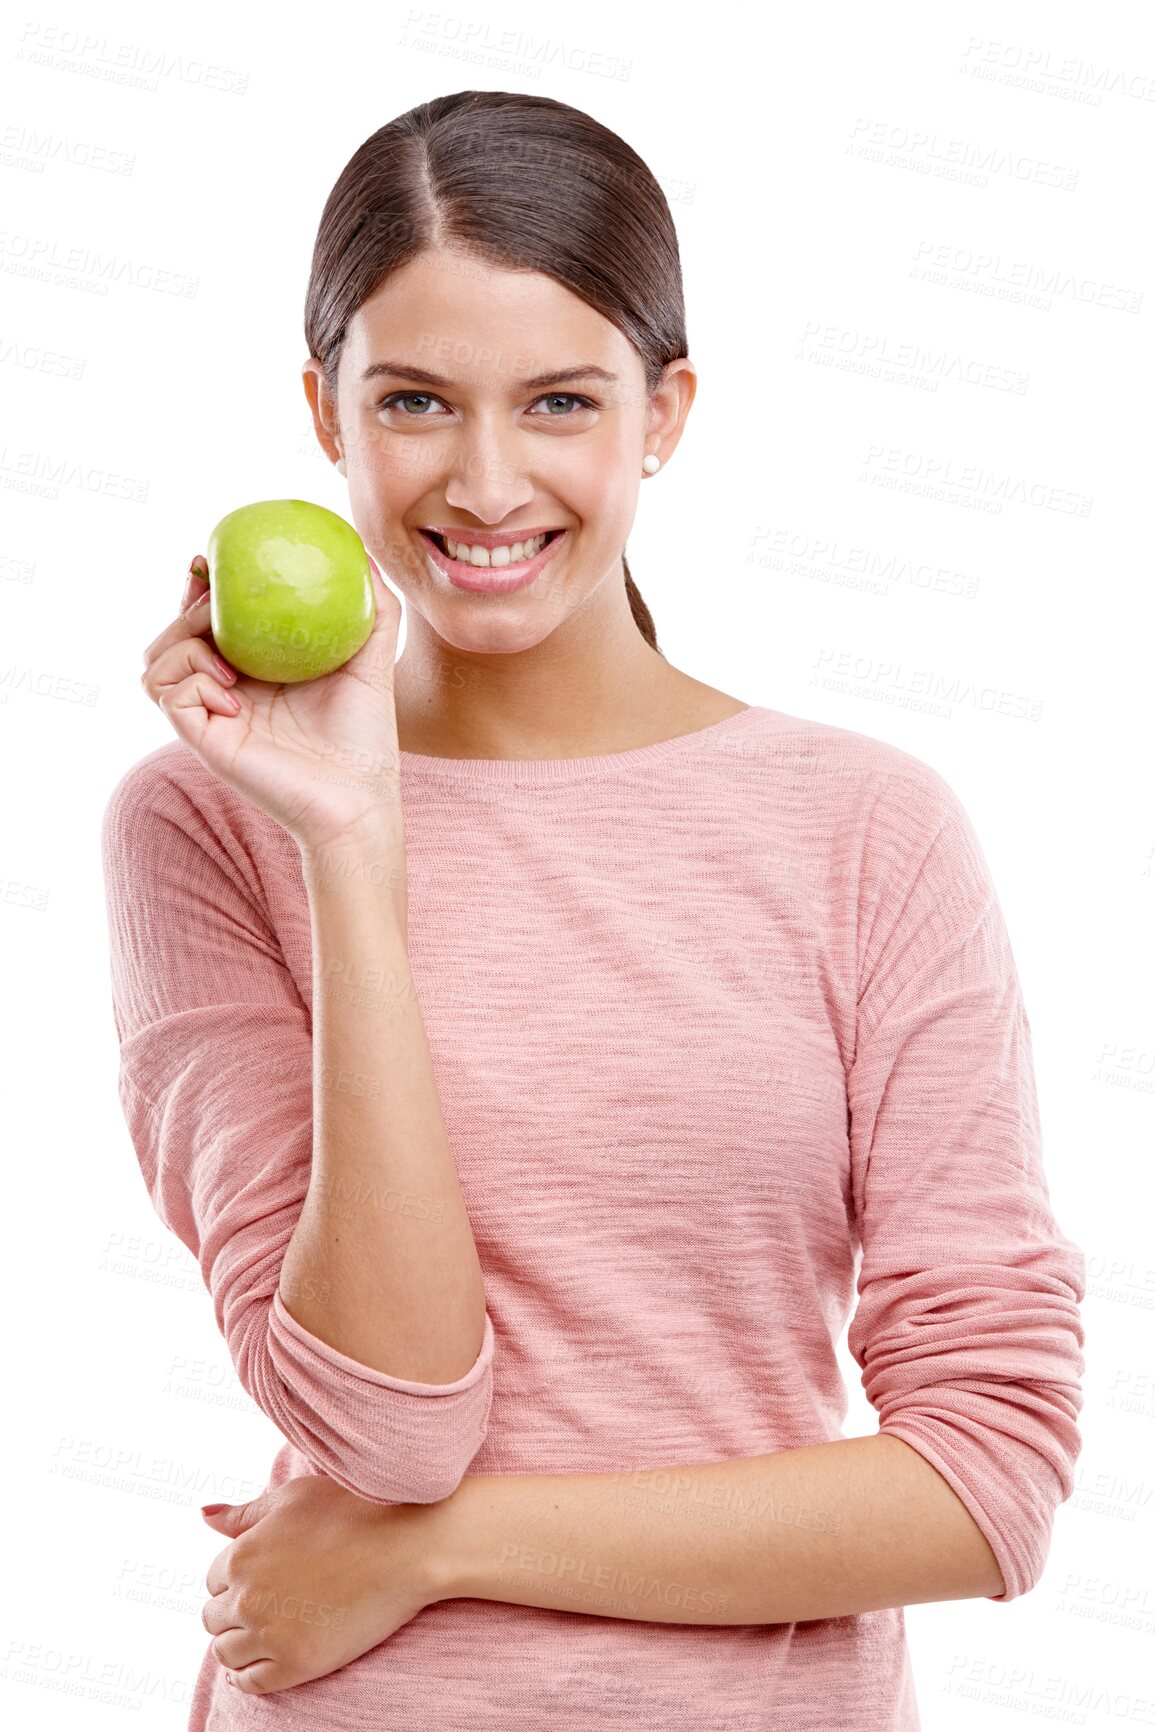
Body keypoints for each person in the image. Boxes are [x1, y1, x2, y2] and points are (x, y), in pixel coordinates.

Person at [101, 89, 1086, 1731]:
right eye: (415, 399)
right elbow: (393, 1426)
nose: (488, 484)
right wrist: (350, 840)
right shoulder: (209, 825)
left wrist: (442, 1552)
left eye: (560, 400)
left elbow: (989, 1482)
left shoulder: (868, 830)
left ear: (665, 411)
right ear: (325, 414)